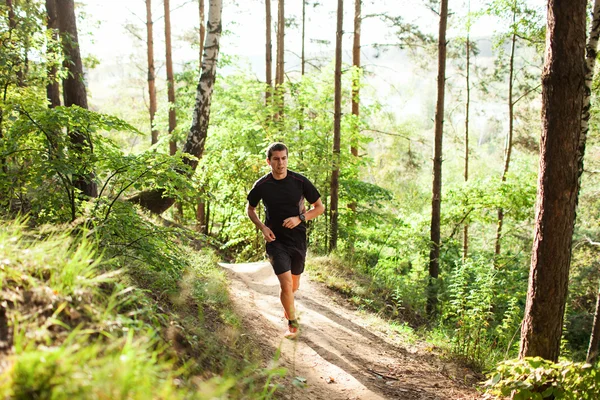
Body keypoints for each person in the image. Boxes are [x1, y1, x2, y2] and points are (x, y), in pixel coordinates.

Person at [246, 142, 325, 339]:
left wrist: (300, 218)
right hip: (275, 241)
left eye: (284, 158)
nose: (280, 163)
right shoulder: (262, 185)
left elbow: (319, 207)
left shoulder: (300, 181)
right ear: (268, 161)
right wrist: (263, 228)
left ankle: (287, 308)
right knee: (286, 284)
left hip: (297, 240)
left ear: (287, 159)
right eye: (276, 159)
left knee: (294, 286)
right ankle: (292, 324)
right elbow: (250, 209)